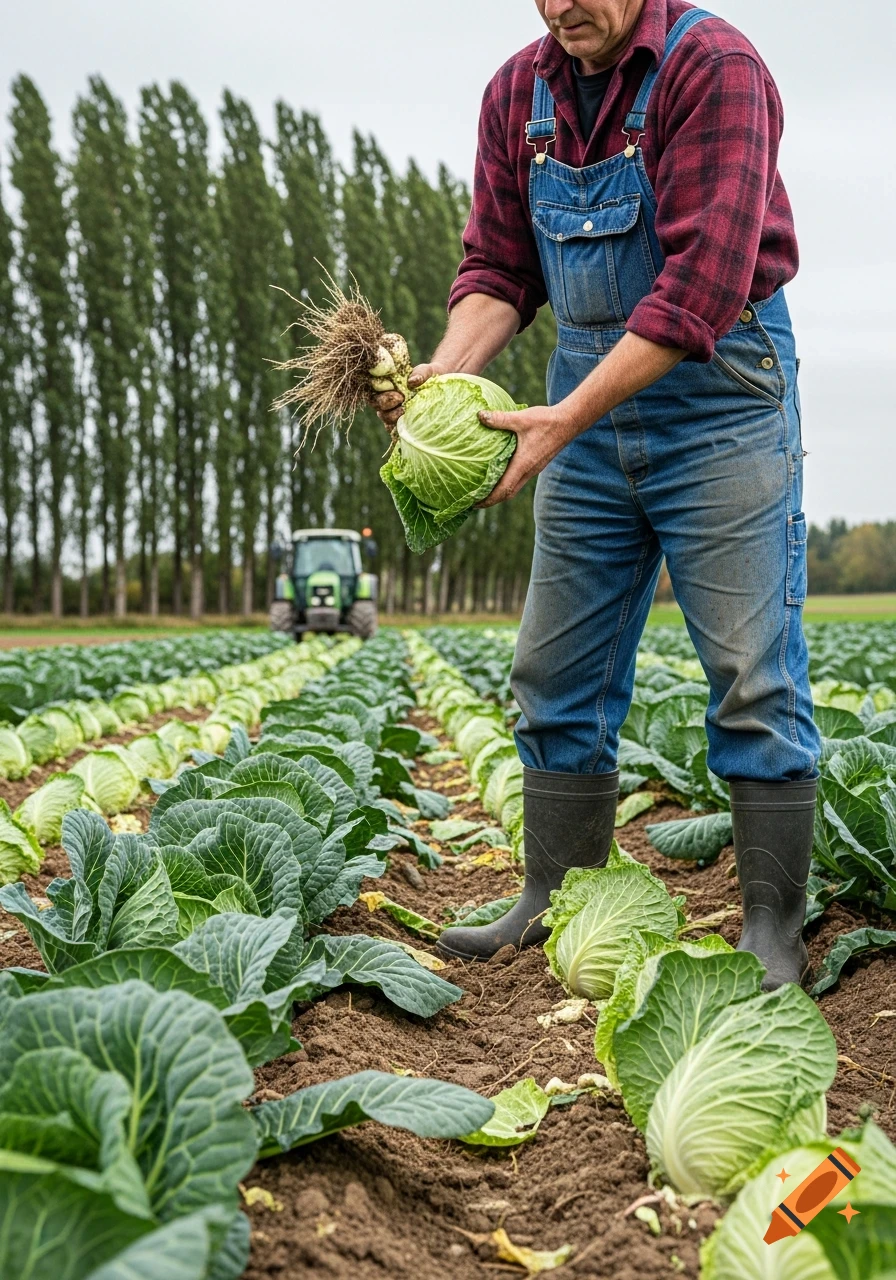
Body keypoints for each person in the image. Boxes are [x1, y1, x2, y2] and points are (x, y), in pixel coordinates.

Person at [372, 0, 821, 991]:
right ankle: (552, 893)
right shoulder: (516, 94)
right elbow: (495, 267)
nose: (563, 3)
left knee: (751, 668)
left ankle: (771, 924)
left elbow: (701, 286)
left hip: (720, 396)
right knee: (552, 663)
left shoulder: (715, 68)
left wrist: (564, 415)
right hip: (583, 394)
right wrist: (434, 388)